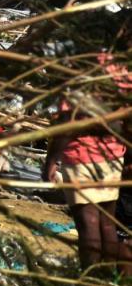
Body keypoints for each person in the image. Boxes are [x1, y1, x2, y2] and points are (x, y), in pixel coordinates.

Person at [44, 89, 132, 274]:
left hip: (81, 158)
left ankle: (91, 282)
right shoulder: (119, 76)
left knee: (88, 223)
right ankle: (108, 278)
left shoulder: (81, 81)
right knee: (107, 222)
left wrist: (51, 160)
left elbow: (67, 124)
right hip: (113, 155)